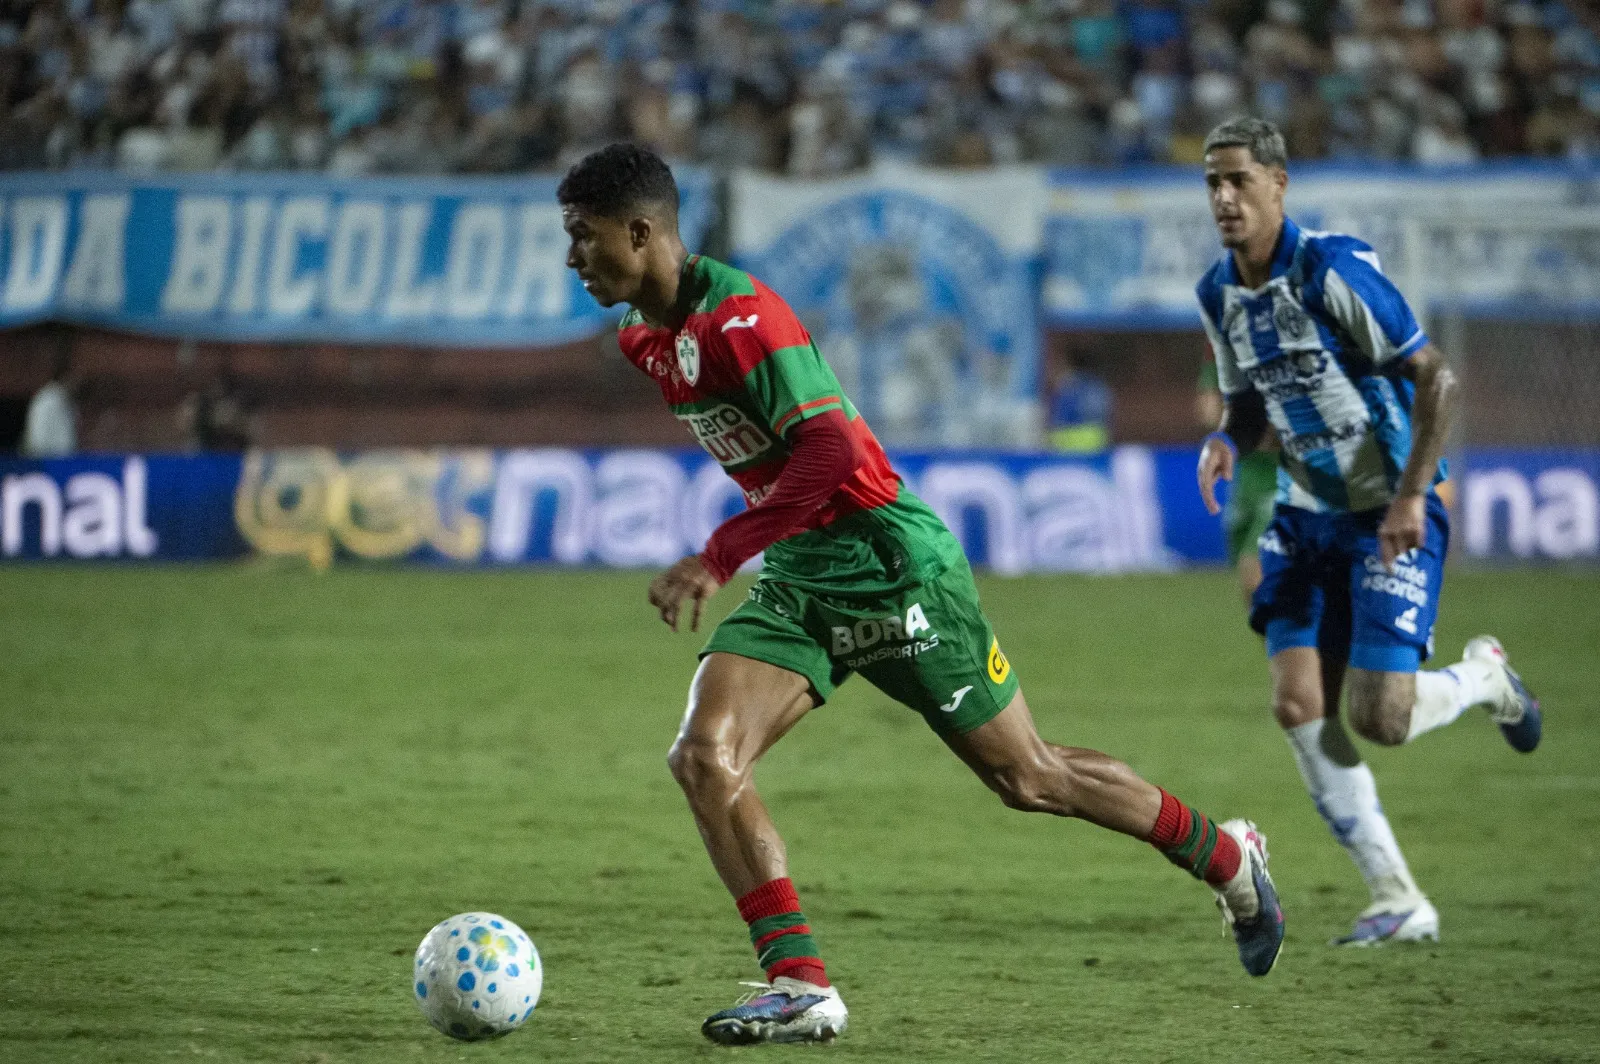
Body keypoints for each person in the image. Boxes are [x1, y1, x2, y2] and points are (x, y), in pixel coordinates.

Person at [560, 143, 1285, 1047]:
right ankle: (799, 984)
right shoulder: (645, 339)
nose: (573, 258)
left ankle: (1227, 856)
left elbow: (827, 451)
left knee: (1029, 779)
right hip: (803, 576)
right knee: (705, 756)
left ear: (641, 232)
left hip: (894, 564)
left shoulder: (743, 318)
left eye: (584, 238)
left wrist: (718, 553)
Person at [1193, 117, 1542, 949]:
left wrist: (1413, 495)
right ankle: (1396, 896)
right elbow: (1249, 402)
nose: (1225, 198)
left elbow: (1437, 376)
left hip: (1388, 514)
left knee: (1381, 717)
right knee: (1296, 701)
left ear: (1279, 183)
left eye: (1239, 180)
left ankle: (1485, 678)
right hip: (1303, 514)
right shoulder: (1220, 293)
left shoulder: (1331, 271)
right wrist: (1225, 439)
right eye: (1212, 183)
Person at [1196, 352, 1277, 602]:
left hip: (1285, 476)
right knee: (1251, 592)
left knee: (1254, 571)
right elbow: (1208, 412)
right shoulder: (1225, 351)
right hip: (1246, 476)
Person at [1047, 354, 1112, 454]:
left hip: (1069, 440)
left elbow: (1059, 417)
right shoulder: (1100, 387)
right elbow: (1108, 413)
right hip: (1097, 438)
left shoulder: (1069, 386)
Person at [22, 354, 78, 457]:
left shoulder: (66, 400)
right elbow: (38, 435)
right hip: (47, 461)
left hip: (64, 460)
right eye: (75, 377)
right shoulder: (47, 400)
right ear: (66, 376)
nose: (77, 382)